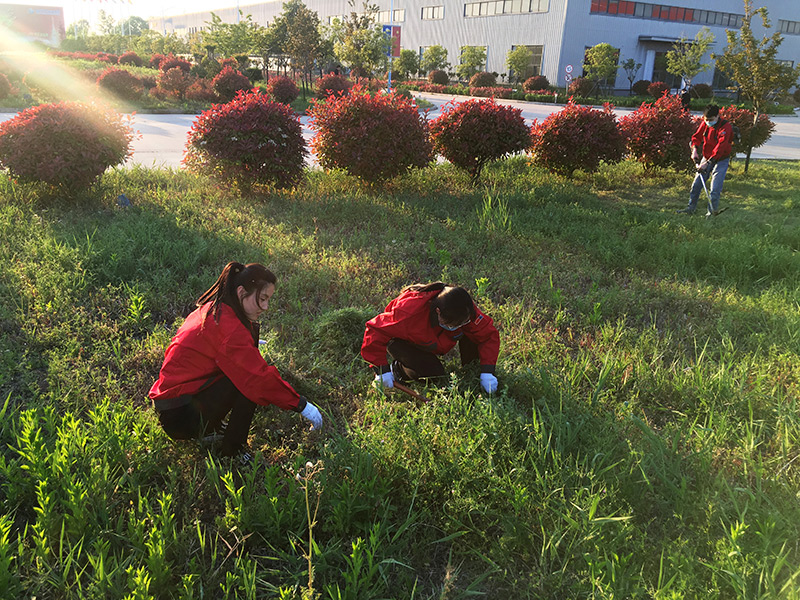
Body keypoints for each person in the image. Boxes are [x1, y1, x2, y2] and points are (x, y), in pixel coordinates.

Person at [149, 262, 323, 462]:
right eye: (262, 298)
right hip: (180, 417)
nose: (266, 307)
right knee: (246, 381)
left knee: (242, 372)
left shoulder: (216, 308)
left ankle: (210, 428)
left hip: (173, 406)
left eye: (268, 300)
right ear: (241, 292)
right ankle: (233, 451)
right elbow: (258, 378)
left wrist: (249, 343)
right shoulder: (229, 330)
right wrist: (302, 405)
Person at [361, 282, 500, 394]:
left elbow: (488, 335)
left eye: (461, 323)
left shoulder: (464, 310)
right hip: (403, 341)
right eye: (452, 324)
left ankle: (473, 371)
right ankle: (398, 370)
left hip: (434, 341)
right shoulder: (409, 312)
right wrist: (381, 370)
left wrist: (488, 372)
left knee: (473, 333)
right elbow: (375, 329)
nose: (457, 327)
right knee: (434, 375)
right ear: (438, 312)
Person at [677, 104, 733, 218]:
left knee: (715, 188)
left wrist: (707, 163)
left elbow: (720, 148)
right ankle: (691, 208)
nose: (708, 122)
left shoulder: (725, 127)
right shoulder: (705, 123)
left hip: (721, 159)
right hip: (706, 157)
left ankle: (711, 213)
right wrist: (694, 150)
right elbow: (696, 137)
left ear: (718, 116)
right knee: (697, 184)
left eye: (711, 120)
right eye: (706, 119)